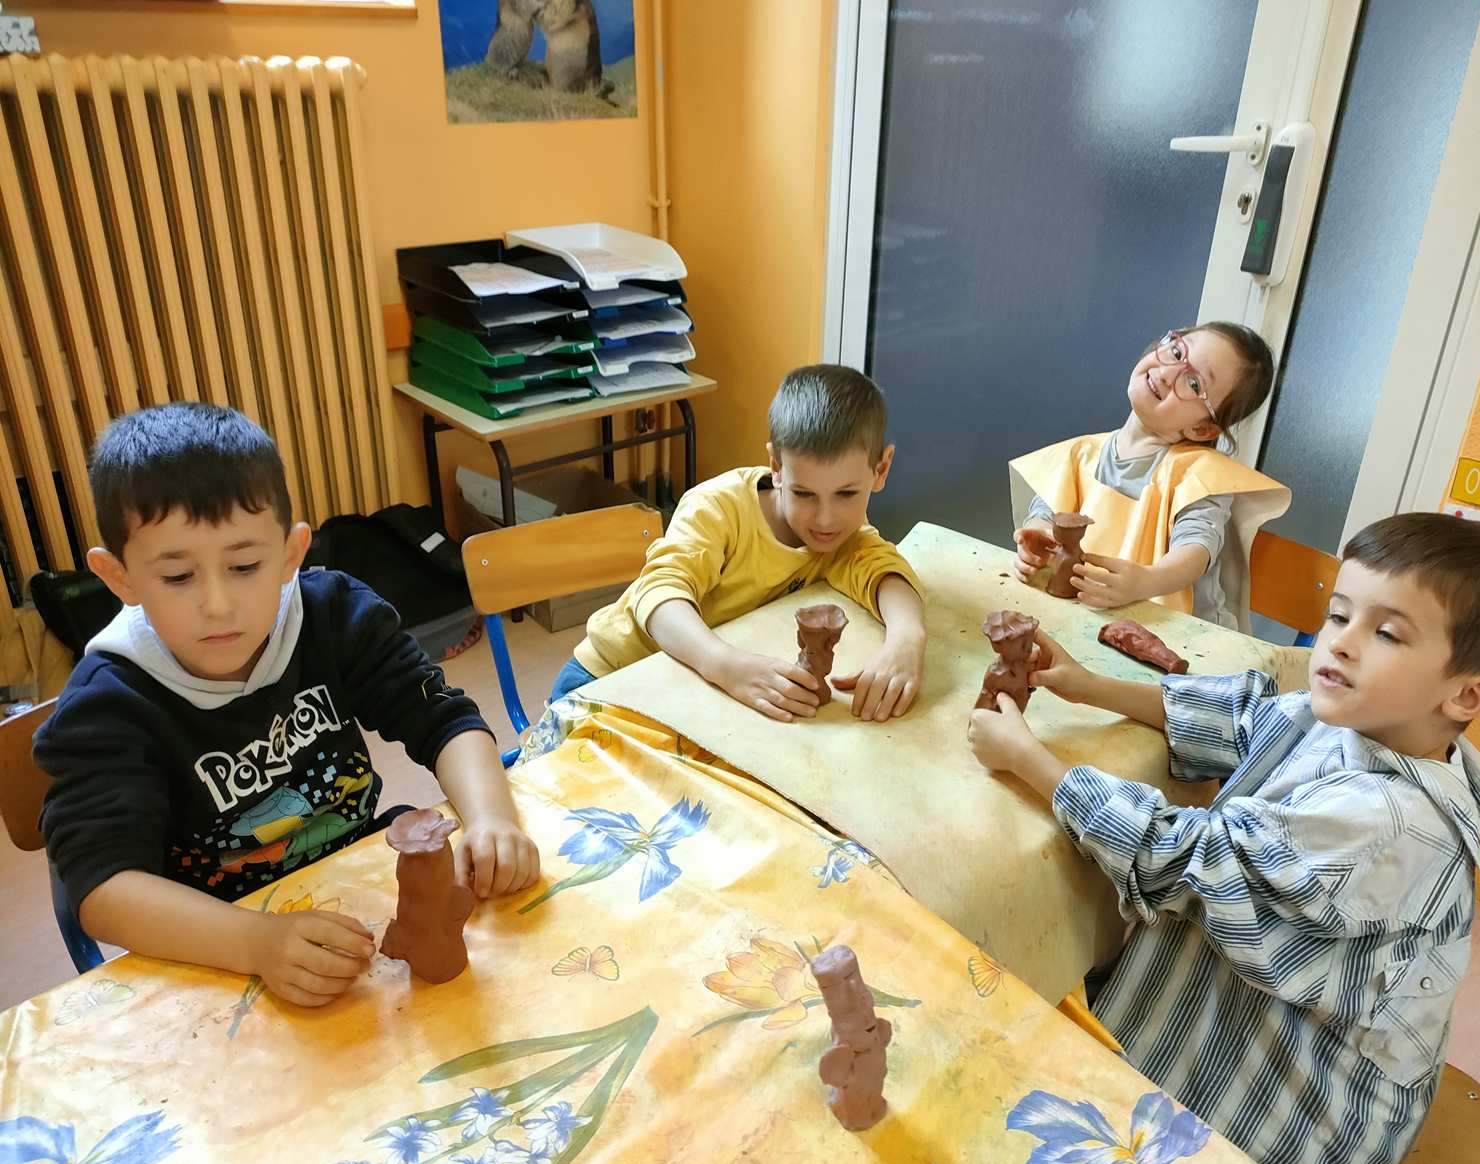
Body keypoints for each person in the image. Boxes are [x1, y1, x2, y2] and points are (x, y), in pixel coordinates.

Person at [967, 512, 1480, 1164]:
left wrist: (1031, 762)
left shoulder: (1387, 823)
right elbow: (1247, 719)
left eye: (1387, 633)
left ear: (1466, 693)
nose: (1340, 644)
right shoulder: (1367, 720)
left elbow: (1184, 858)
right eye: (1339, 615)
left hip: (1300, 1116)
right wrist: (1084, 683)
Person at [35, 403, 540, 1008]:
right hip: (215, 940)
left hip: (353, 879)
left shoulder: (332, 615)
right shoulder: (108, 705)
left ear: (291, 552)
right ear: (119, 577)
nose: (218, 605)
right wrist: (253, 942)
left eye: (245, 566)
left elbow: (445, 720)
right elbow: (103, 890)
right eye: (178, 577)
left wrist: (491, 818)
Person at [554, 364, 927, 723]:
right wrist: (724, 665)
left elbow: (884, 572)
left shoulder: (842, 532)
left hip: (690, 691)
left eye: (846, 494)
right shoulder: (718, 508)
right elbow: (659, 594)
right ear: (776, 467)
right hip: (609, 676)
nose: (825, 518)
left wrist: (907, 640)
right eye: (804, 493)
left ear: (881, 470)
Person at [1010, 322, 1288, 629]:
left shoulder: (1198, 476)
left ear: (1201, 429)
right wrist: (1037, 541)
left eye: (1193, 383)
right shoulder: (1082, 453)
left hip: (1185, 637)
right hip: (1095, 620)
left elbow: (1196, 550)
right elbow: (1047, 511)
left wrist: (1146, 582)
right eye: (1176, 352)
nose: (1168, 373)